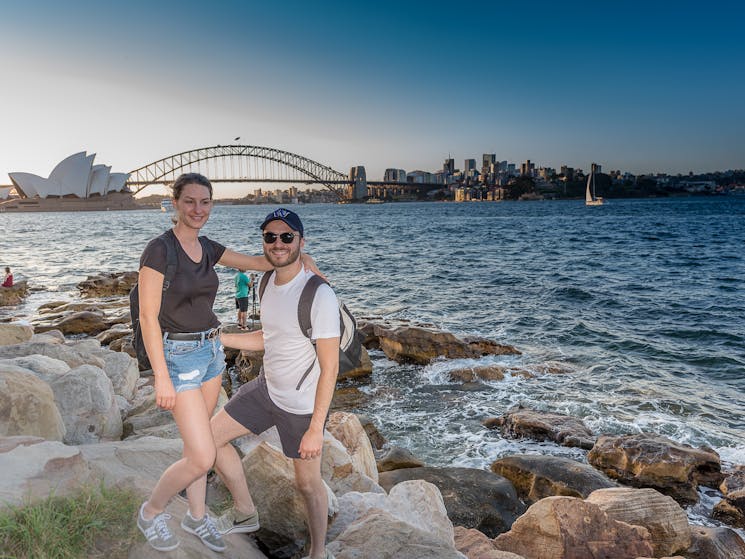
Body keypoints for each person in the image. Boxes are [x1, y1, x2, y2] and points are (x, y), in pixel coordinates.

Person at [135, 176, 322, 553]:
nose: (197, 210)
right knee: (203, 454)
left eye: (205, 202)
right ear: (175, 203)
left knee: (197, 446)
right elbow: (146, 317)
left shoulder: (207, 248)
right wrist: (162, 378)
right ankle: (151, 512)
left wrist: (304, 260)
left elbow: (260, 262)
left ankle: (197, 516)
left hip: (211, 354)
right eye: (189, 202)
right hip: (179, 358)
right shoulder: (159, 250)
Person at [209, 208, 339, 559]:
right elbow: (270, 337)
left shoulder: (319, 294)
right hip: (266, 390)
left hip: (301, 407)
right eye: (270, 237)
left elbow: (330, 368)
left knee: (307, 484)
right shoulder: (265, 281)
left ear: (300, 241)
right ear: (263, 241)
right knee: (210, 438)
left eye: (287, 237)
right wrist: (221, 338)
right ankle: (245, 511)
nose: (278, 243)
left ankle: (318, 552)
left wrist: (315, 429)